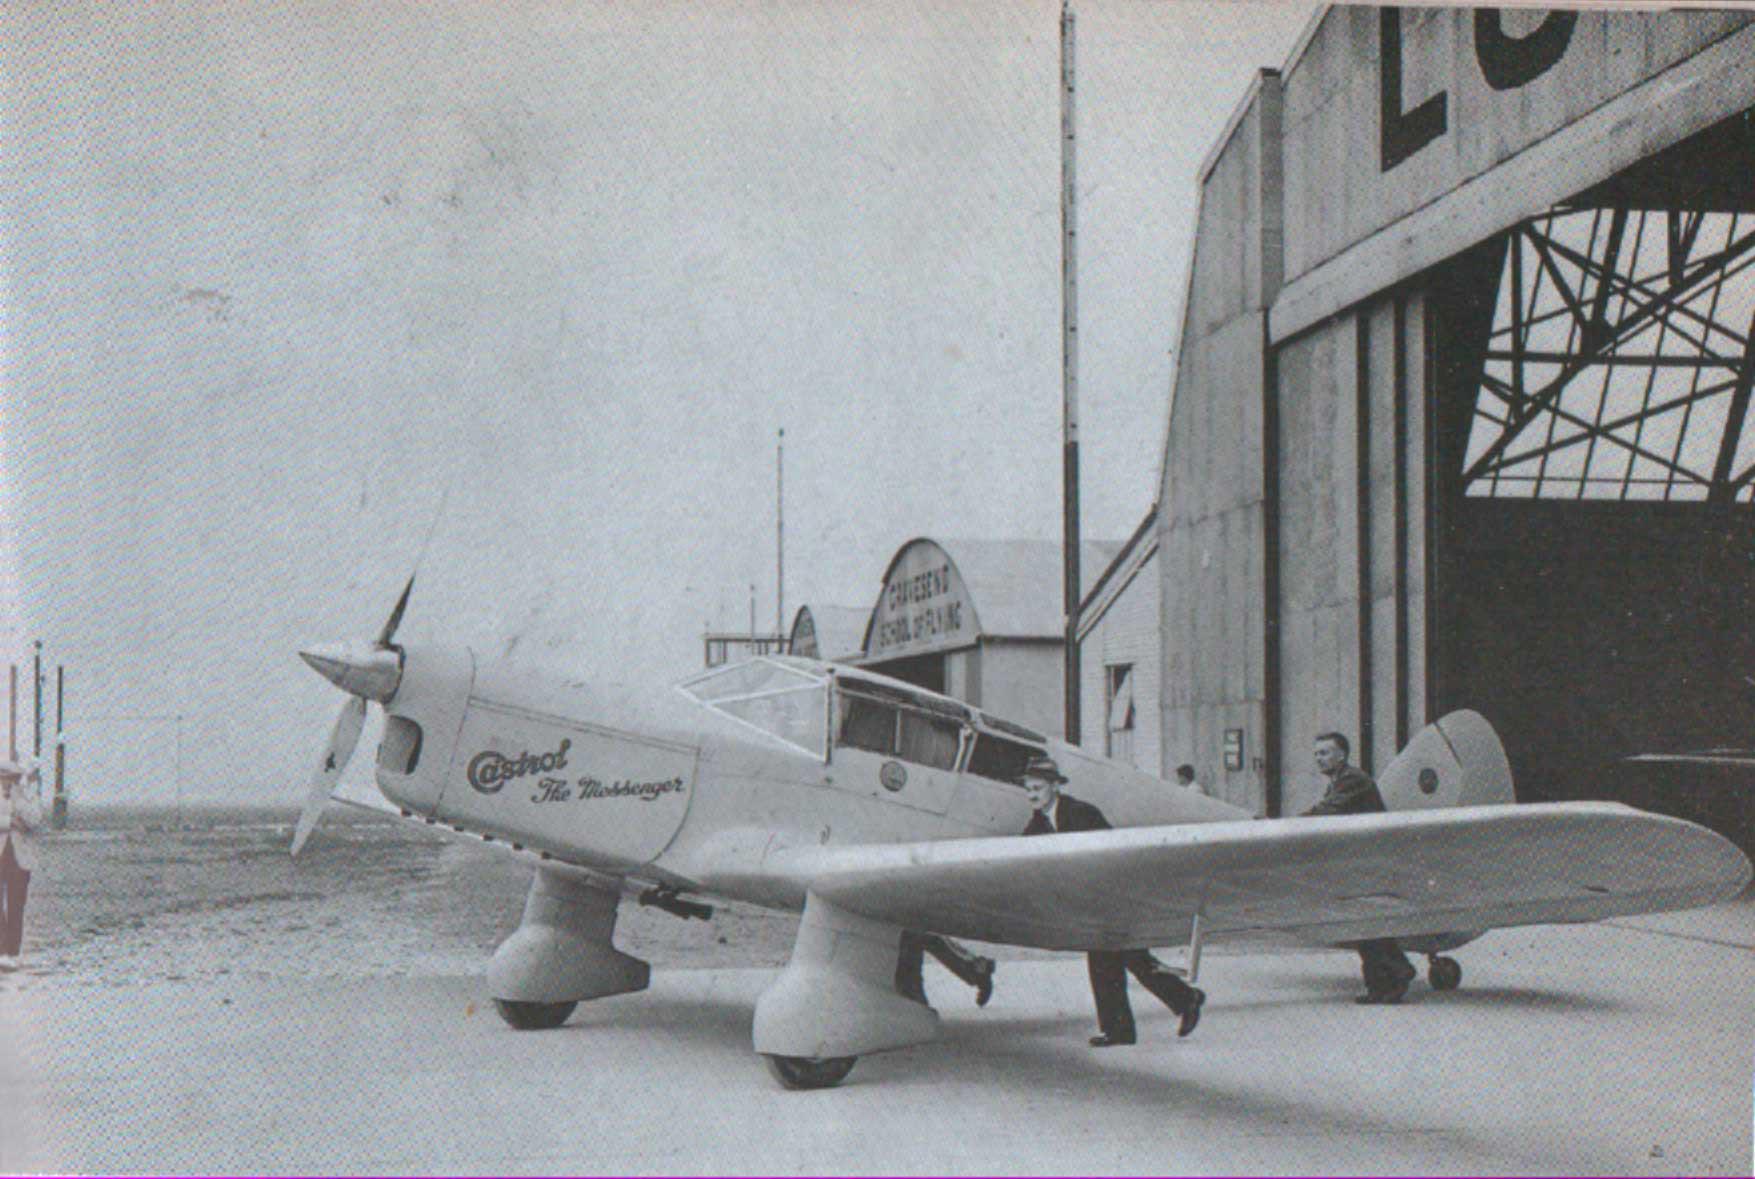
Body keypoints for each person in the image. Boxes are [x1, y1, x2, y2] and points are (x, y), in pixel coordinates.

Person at [1020, 753, 1204, 1047]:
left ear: (1055, 787)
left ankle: (1152, 1015)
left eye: (1037, 789)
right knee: (1127, 959)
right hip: (1096, 903)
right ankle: (1174, 1004)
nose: (1032, 795)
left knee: (1117, 959)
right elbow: (1024, 853)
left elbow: (1113, 854)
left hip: (1117, 896)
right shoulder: (1039, 823)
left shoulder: (1081, 813)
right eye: (1028, 790)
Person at [1301, 731, 1416, 1004]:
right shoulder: (1341, 780)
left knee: (1365, 924)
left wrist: (1284, 823)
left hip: (1370, 862)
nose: (1319, 758)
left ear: (1342, 755)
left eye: (1325, 753)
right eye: (1317, 753)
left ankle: (1389, 980)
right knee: (1366, 922)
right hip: (1366, 861)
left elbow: (1327, 811)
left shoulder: (1352, 780)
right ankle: (1390, 976)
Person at [894, 932, 996, 1008]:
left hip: (930, 940)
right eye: (983, 961)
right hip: (932, 940)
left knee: (917, 942)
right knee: (919, 942)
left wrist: (982, 998)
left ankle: (910, 988)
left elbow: (986, 985)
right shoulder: (971, 962)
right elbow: (950, 947)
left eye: (982, 966)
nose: (981, 961)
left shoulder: (970, 969)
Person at [0, 761, 36, 959]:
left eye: (12, 779)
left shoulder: (25, 796)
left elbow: (35, 820)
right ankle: (1, 949)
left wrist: (20, 799)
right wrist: (10, 822)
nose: (7, 783)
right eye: (4, 778)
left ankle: (13, 952)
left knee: (16, 906)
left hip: (20, 859)